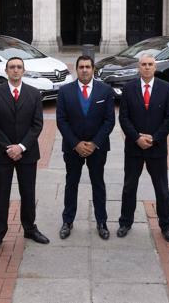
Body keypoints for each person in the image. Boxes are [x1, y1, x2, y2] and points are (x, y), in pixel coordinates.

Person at [0, 57, 50, 255]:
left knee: (28, 193)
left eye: (19, 67)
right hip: (2, 154)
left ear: (24, 71)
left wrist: (21, 147)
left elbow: (37, 124)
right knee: (1, 194)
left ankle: (30, 228)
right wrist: (8, 147)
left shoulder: (33, 94)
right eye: (12, 67)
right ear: (6, 71)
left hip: (27, 154)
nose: (15, 70)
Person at [117, 54, 169, 242]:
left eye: (150, 64)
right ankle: (125, 222)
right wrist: (136, 138)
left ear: (155, 67)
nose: (147, 67)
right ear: (138, 67)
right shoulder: (128, 88)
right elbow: (123, 117)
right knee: (129, 187)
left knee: (162, 189)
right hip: (134, 148)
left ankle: (166, 226)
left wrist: (155, 138)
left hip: (157, 148)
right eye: (144, 64)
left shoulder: (166, 88)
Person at [56, 55, 115, 240]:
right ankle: (67, 221)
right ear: (76, 69)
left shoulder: (105, 91)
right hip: (72, 148)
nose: (84, 70)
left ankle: (101, 221)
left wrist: (95, 143)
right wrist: (76, 143)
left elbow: (109, 121)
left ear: (93, 69)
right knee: (71, 184)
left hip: (97, 148)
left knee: (98, 184)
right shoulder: (65, 91)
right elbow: (61, 120)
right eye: (81, 67)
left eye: (88, 67)